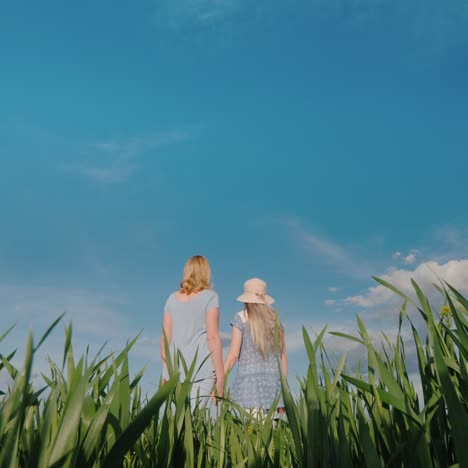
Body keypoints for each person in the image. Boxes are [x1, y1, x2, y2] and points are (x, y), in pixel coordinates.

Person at [160, 255, 224, 407]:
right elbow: (212, 338)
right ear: (206, 273)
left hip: (174, 373)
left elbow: (165, 339)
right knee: (194, 425)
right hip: (201, 372)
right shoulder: (210, 297)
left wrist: (165, 371)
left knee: (176, 427)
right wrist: (220, 377)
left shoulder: (171, 299)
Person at [224, 278, 288, 416]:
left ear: (246, 299)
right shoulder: (276, 322)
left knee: (251, 433)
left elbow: (233, 355)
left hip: (249, 385)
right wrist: (284, 394)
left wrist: (220, 379)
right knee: (270, 433)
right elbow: (283, 358)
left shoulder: (241, 317)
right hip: (273, 385)